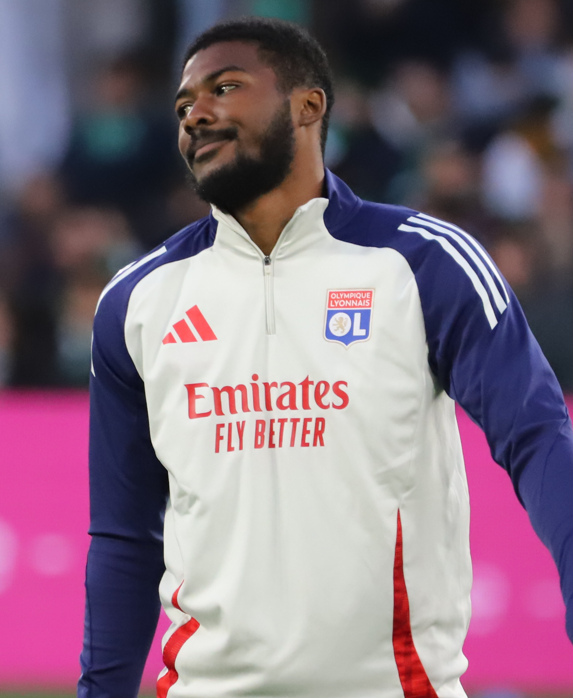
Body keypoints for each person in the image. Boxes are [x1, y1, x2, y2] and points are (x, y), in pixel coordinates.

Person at [78, 17, 573, 698]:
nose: (196, 114)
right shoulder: (136, 301)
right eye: (184, 104)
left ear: (307, 105)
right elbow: (125, 537)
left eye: (226, 87)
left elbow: (537, 437)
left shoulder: (424, 263)